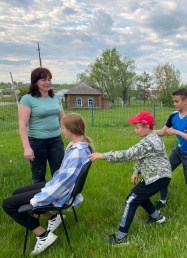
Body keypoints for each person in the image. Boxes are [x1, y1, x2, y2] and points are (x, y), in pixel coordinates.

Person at [2, 113, 94, 255]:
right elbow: (62, 180)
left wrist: (39, 199)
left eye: (63, 128)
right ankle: (53, 217)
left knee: (8, 204)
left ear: (72, 129)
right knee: (16, 194)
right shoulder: (77, 146)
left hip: (60, 193)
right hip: (55, 186)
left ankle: (43, 235)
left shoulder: (77, 152)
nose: (61, 130)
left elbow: (64, 185)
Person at [88, 111, 171, 246]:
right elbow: (144, 157)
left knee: (131, 200)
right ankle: (157, 218)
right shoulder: (153, 138)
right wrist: (136, 171)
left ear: (147, 127)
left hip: (158, 177)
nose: (135, 130)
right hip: (156, 175)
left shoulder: (148, 143)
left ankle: (121, 237)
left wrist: (103, 155)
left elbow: (127, 154)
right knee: (139, 196)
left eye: (137, 127)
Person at [18, 67, 65, 183]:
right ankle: (40, 200)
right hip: (37, 141)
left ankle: (59, 199)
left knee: (60, 173)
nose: (48, 83)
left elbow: (62, 118)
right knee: (39, 175)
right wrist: (27, 148)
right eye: (44, 80)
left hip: (56, 140)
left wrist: (75, 133)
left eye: (49, 79)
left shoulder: (56, 98)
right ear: (35, 81)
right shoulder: (27, 99)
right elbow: (23, 125)